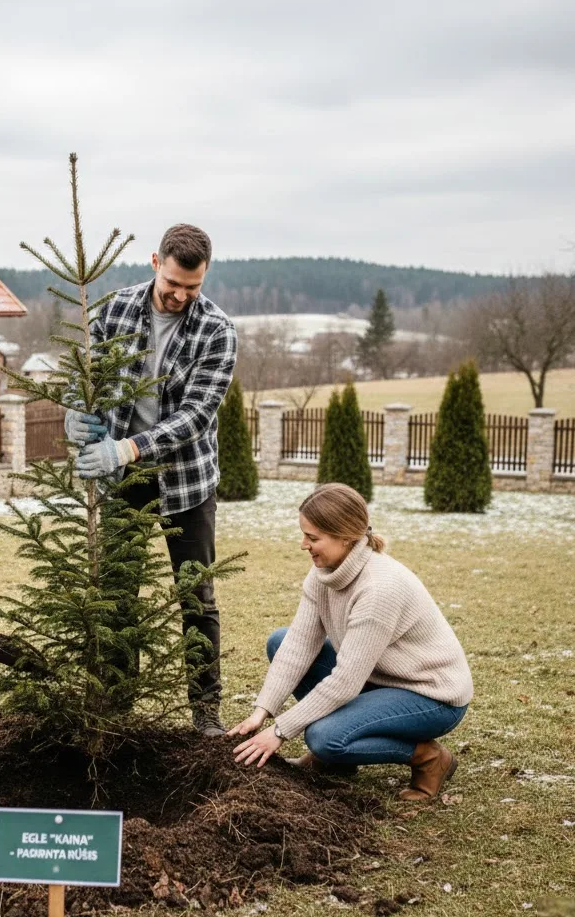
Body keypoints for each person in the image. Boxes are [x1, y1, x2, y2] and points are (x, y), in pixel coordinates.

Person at [66, 223, 238, 737]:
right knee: (119, 594)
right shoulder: (115, 310)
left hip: (186, 482)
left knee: (196, 597)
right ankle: (119, 705)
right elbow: (84, 377)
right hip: (123, 480)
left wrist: (128, 447)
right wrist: (75, 413)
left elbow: (196, 415)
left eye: (193, 287)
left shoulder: (217, 330)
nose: (181, 296)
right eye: (173, 284)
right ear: (155, 263)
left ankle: (205, 712)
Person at [230, 483, 473, 801]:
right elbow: (299, 644)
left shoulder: (378, 589)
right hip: (379, 679)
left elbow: (345, 682)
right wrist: (261, 712)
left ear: (345, 537)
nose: (303, 545)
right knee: (281, 641)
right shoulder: (324, 574)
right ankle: (338, 762)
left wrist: (279, 731)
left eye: (312, 537)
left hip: (430, 695)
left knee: (323, 737)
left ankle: (429, 758)